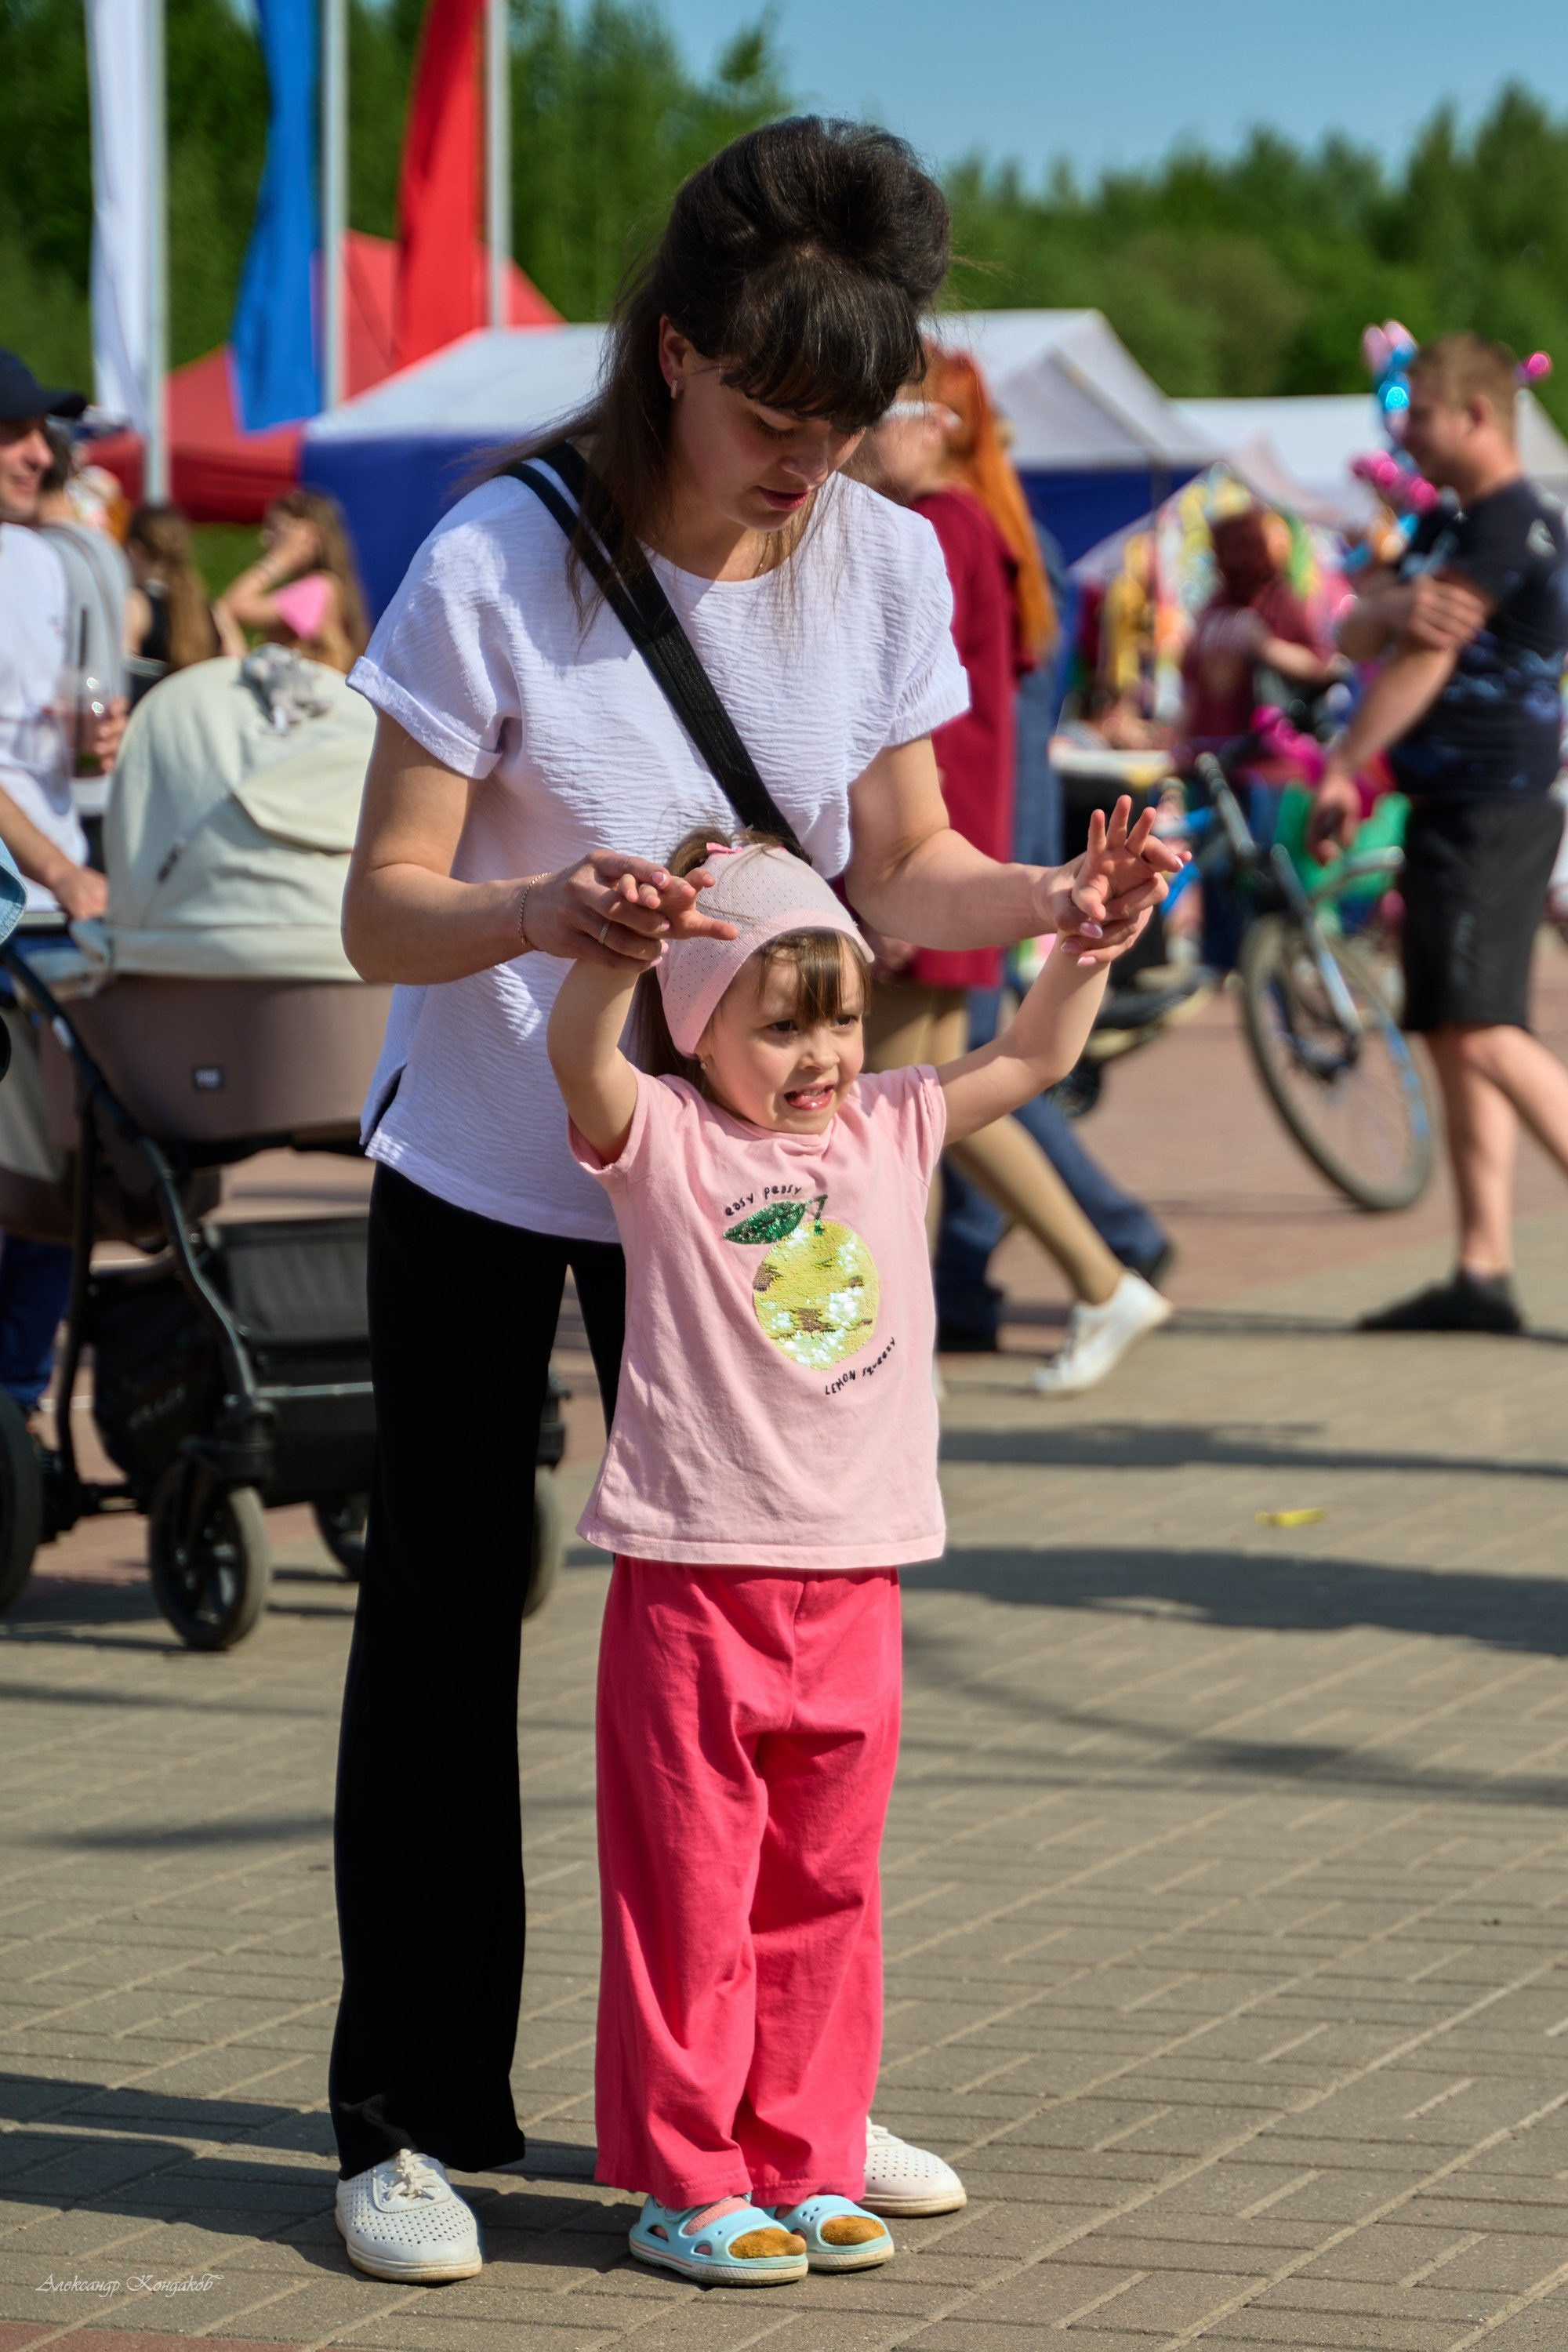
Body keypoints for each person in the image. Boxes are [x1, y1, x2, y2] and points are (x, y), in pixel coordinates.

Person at [330, 117, 1180, 2285]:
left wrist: (1059, 895)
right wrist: (546, 905)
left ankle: (766, 2097)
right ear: (674, 350)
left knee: (773, 1646)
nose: (807, 461)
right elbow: (382, 915)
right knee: (453, 1609)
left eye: (847, 419)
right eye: (772, 415)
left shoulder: (885, 557)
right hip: (503, 1156)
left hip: (745, 1186)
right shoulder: (499, 557)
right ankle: (408, 2113)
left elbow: (904, 872)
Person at [547, 811, 1161, 2285]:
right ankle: (686, 2178)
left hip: (860, 1579)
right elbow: (583, 1060)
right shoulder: (668, 1139)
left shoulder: (890, 1122)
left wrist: (1085, 941)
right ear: (701, 1037)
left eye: (840, 1018)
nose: (823, 1055)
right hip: (696, 1582)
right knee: (691, 1897)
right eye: (780, 1027)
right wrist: (616, 954)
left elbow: (1033, 1059)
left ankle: (804, 2156)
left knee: (825, 1894)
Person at [858, 372, 1171, 1395]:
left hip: (931, 861)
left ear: (934, 428)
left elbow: (922, 731)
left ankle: (917, 1335)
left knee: (893, 1121)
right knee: (938, 1114)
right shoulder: (987, 525)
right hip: (962, 853)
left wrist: (896, 883)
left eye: (877, 411)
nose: (853, 434)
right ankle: (1090, 1281)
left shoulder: (936, 529)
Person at [1309, 332, 1568, 1332]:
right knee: (1459, 1037)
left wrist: (1339, 764)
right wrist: (1392, 603)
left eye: (1417, 412)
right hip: (1453, 808)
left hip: (1491, 806)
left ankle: (1483, 1265)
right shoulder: (1449, 531)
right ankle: (1481, 1269)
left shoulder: (1507, 523)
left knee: (1484, 1031)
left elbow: (1414, 655)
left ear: (1474, 417)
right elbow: (1351, 629)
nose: (1401, 430)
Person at [0, 352, 124, 1420]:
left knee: (54, 1184)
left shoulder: (48, 562)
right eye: (13, 432)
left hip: (47, 912)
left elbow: (54, 760)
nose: (40, 451)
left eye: (42, 430)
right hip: (33, 902)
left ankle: (19, 1400)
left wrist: (98, 745)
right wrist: (59, 868)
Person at [215, 487, 368, 674]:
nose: (264, 539)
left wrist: (280, 560)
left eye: (275, 530)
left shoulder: (318, 588)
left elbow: (230, 606)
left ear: (311, 536)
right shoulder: (328, 586)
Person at [124, 503, 220, 693]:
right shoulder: (207, 608)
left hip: (150, 718)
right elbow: (236, 664)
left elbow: (121, 678)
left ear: (135, 550)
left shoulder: (136, 605)